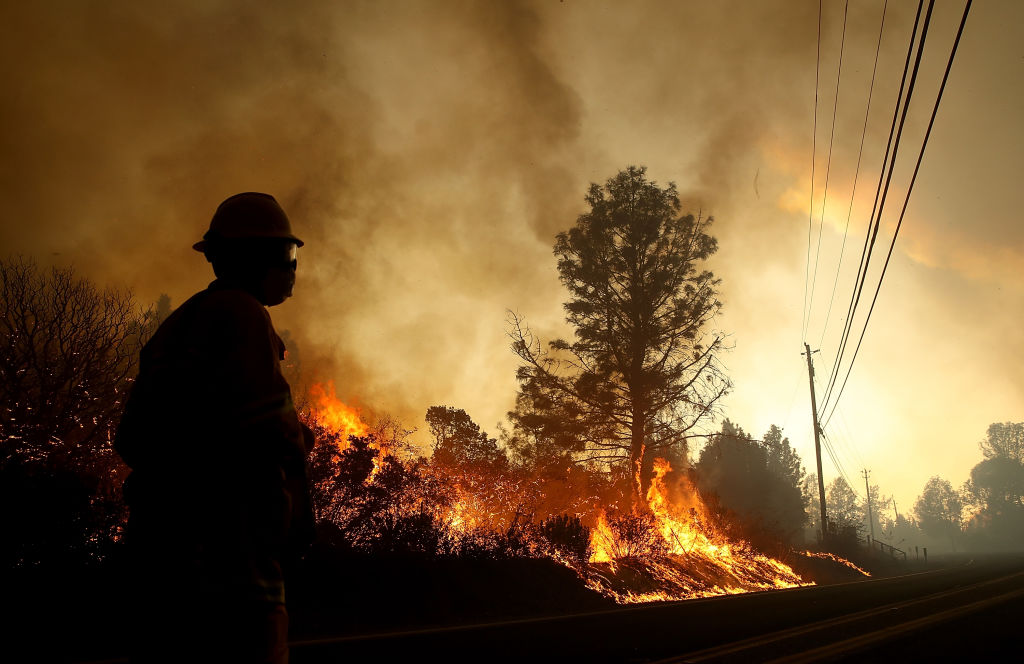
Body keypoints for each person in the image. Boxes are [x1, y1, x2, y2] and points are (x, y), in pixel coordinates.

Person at [115, 192, 314, 663]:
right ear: (254, 258)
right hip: (230, 561)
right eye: (285, 255)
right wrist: (302, 441)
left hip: (162, 557)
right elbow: (272, 430)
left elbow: (132, 437)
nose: (291, 269)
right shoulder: (241, 314)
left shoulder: (180, 324)